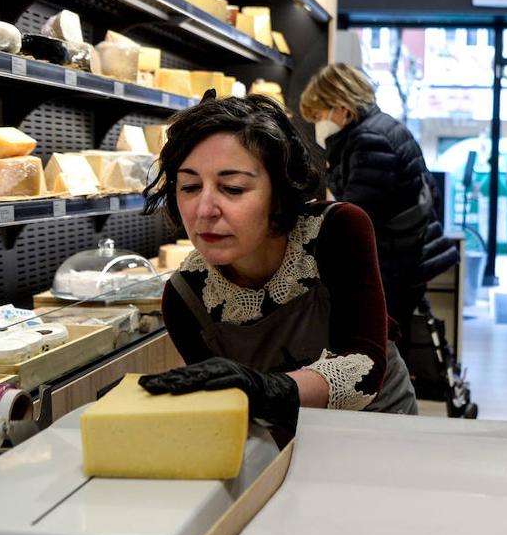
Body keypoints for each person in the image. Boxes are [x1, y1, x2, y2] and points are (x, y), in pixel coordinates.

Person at [136, 93, 420, 436]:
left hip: (379, 425)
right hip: (280, 438)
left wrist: (270, 390)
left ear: (280, 192)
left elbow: (365, 366)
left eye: (233, 187)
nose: (204, 209)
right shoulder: (186, 297)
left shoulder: (336, 230)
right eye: (190, 187)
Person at [298, 63, 459, 355]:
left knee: (376, 349)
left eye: (319, 115)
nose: (317, 124)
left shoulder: (368, 140)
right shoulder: (381, 128)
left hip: (394, 264)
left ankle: (380, 400)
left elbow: (358, 214)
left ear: (341, 107)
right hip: (407, 257)